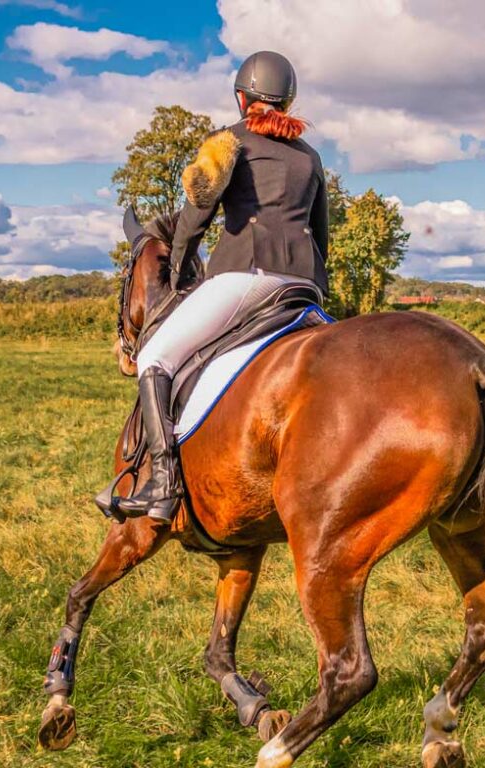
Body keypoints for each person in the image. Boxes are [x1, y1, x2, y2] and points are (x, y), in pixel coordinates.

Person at [106, 50, 330, 523]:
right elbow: (322, 233)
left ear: (241, 96)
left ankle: (163, 485)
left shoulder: (225, 143)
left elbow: (194, 219)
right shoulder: (310, 158)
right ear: (287, 100)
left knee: (153, 357)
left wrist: (181, 269)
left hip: (246, 278)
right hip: (305, 287)